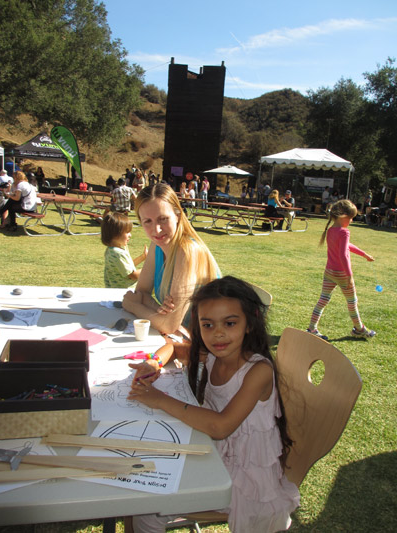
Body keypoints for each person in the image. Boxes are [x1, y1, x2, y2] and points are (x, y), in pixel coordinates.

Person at [128, 276, 300, 533]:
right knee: (140, 479)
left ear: (249, 324)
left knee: (146, 512)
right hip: (212, 451)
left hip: (244, 479)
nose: (218, 333)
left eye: (229, 323)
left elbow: (220, 427)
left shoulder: (258, 371)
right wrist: (153, 363)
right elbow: (173, 348)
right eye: (207, 325)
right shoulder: (213, 354)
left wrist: (159, 399)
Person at [122, 183, 220, 335]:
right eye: (147, 221)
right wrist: (159, 310)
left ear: (178, 216)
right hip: (186, 335)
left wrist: (133, 306)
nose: (157, 230)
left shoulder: (187, 251)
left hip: (211, 344)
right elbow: (141, 292)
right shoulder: (158, 244)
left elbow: (169, 326)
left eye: (163, 219)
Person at [307, 199, 376, 340]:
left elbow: (347, 246)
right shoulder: (344, 232)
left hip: (329, 273)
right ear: (342, 215)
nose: (351, 221)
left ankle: (312, 329)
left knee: (323, 300)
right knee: (352, 302)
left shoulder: (331, 230)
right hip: (342, 274)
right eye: (350, 218)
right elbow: (343, 254)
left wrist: (364, 255)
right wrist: (349, 276)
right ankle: (359, 329)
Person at [101, 212, 148, 288]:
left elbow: (127, 267)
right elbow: (133, 275)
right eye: (127, 232)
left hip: (116, 293)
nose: (130, 235)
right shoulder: (117, 253)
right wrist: (151, 269)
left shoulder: (111, 250)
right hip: (123, 294)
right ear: (116, 234)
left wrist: (143, 257)